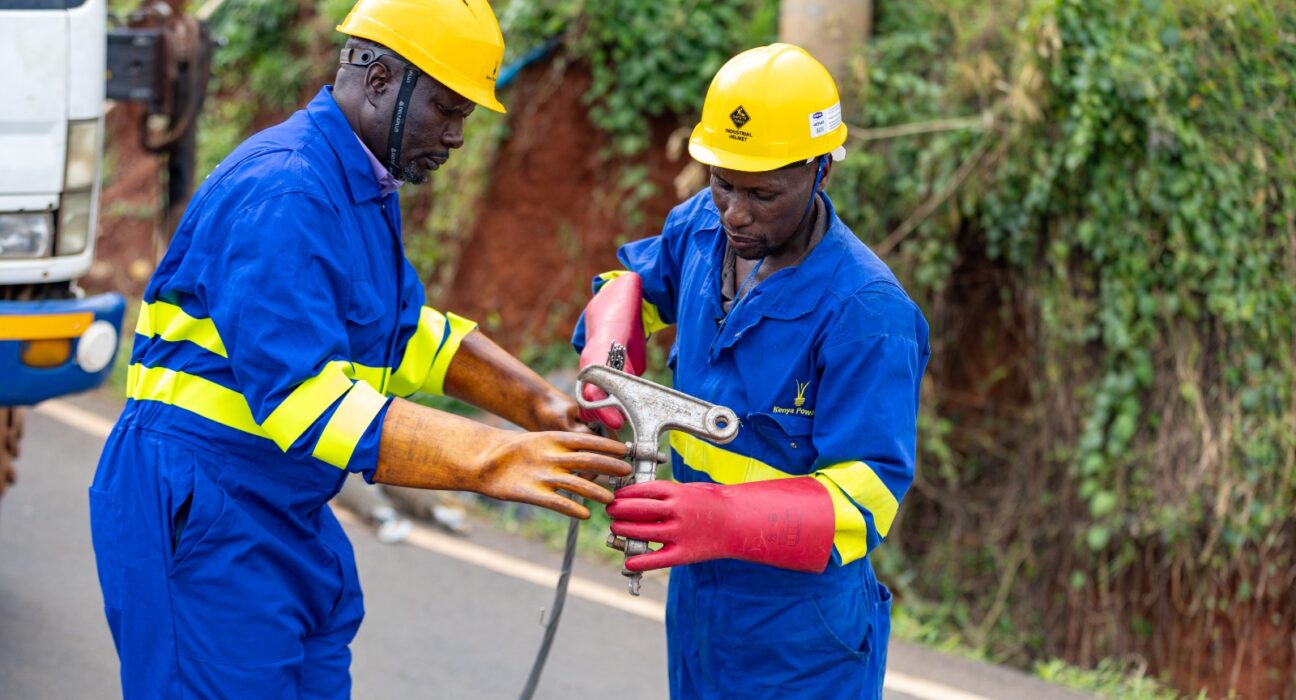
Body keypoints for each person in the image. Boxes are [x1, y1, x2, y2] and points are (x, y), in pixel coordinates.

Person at [89, 1, 629, 697]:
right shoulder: (284, 190)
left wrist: (540, 407)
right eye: (447, 109)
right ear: (379, 80)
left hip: (280, 512)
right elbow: (305, 399)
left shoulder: (360, 185)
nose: (458, 136)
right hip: (207, 511)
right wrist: (493, 458)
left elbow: (406, 335)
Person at [574, 44, 930, 699]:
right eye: (722, 183)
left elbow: (867, 497)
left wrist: (716, 518)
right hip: (702, 605)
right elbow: (636, 285)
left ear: (821, 170)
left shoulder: (867, 312)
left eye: (763, 193)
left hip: (800, 634)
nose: (735, 212)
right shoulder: (702, 230)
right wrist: (608, 347)